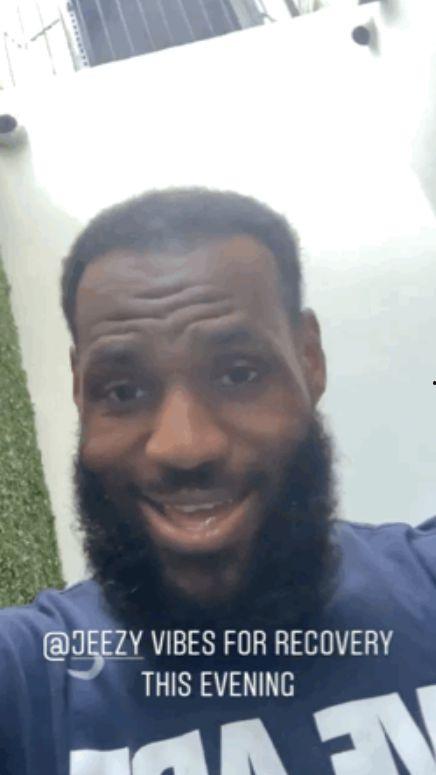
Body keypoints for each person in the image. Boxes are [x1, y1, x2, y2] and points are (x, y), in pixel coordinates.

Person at [0, 187, 435, 774]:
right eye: (123, 390)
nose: (184, 447)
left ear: (309, 359)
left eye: (238, 374)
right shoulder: (29, 678)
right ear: (80, 391)